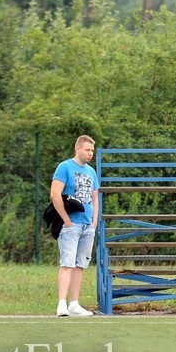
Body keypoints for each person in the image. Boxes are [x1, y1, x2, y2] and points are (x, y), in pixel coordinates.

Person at [50, 135, 100, 317]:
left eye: (92, 151)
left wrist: (94, 221)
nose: (90, 154)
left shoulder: (91, 172)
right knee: (67, 263)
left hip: (87, 225)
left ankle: (74, 304)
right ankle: (61, 303)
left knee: (80, 265)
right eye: (87, 150)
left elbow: (95, 197)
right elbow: (55, 194)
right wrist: (66, 220)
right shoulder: (64, 167)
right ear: (78, 149)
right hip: (71, 224)